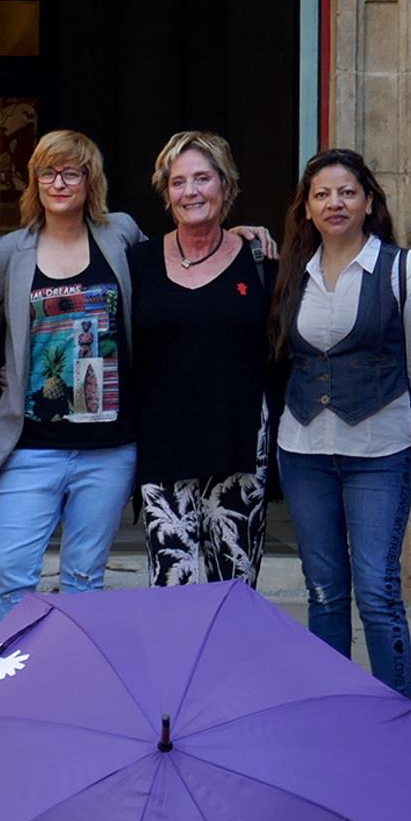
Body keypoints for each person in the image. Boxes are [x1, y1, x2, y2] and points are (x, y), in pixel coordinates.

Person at [269, 149, 411, 698]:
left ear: (368, 201)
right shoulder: (293, 270)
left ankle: (392, 714)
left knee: (377, 591)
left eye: (346, 192)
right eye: (322, 194)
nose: (334, 203)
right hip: (302, 449)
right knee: (323, 589)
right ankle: (335, 713)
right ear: (308, 207)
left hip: (378, 449)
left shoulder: (402, 267)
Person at [0, 131, 143, 624]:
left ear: (89, 180)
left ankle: (76, 687)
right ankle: (18, 684)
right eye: (48, 172)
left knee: (84, 578)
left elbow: (174, 269)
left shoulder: (120, 235)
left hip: (109, 448)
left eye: (71, 172)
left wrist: (239, 234)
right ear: (35, 179)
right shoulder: (8, 252)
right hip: (31, 444)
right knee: (13, 574)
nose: (59, 182)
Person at [130, 130, 273, 587]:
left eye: (202, 178)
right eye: (178, 181)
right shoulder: (138, 262)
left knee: (235, 586)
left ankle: (232, 663)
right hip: (163, 445)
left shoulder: (259, 260)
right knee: (173, 586)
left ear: (226, 186)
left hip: (237, 442)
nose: (190, 191)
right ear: (166, 191)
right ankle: (178, 664)